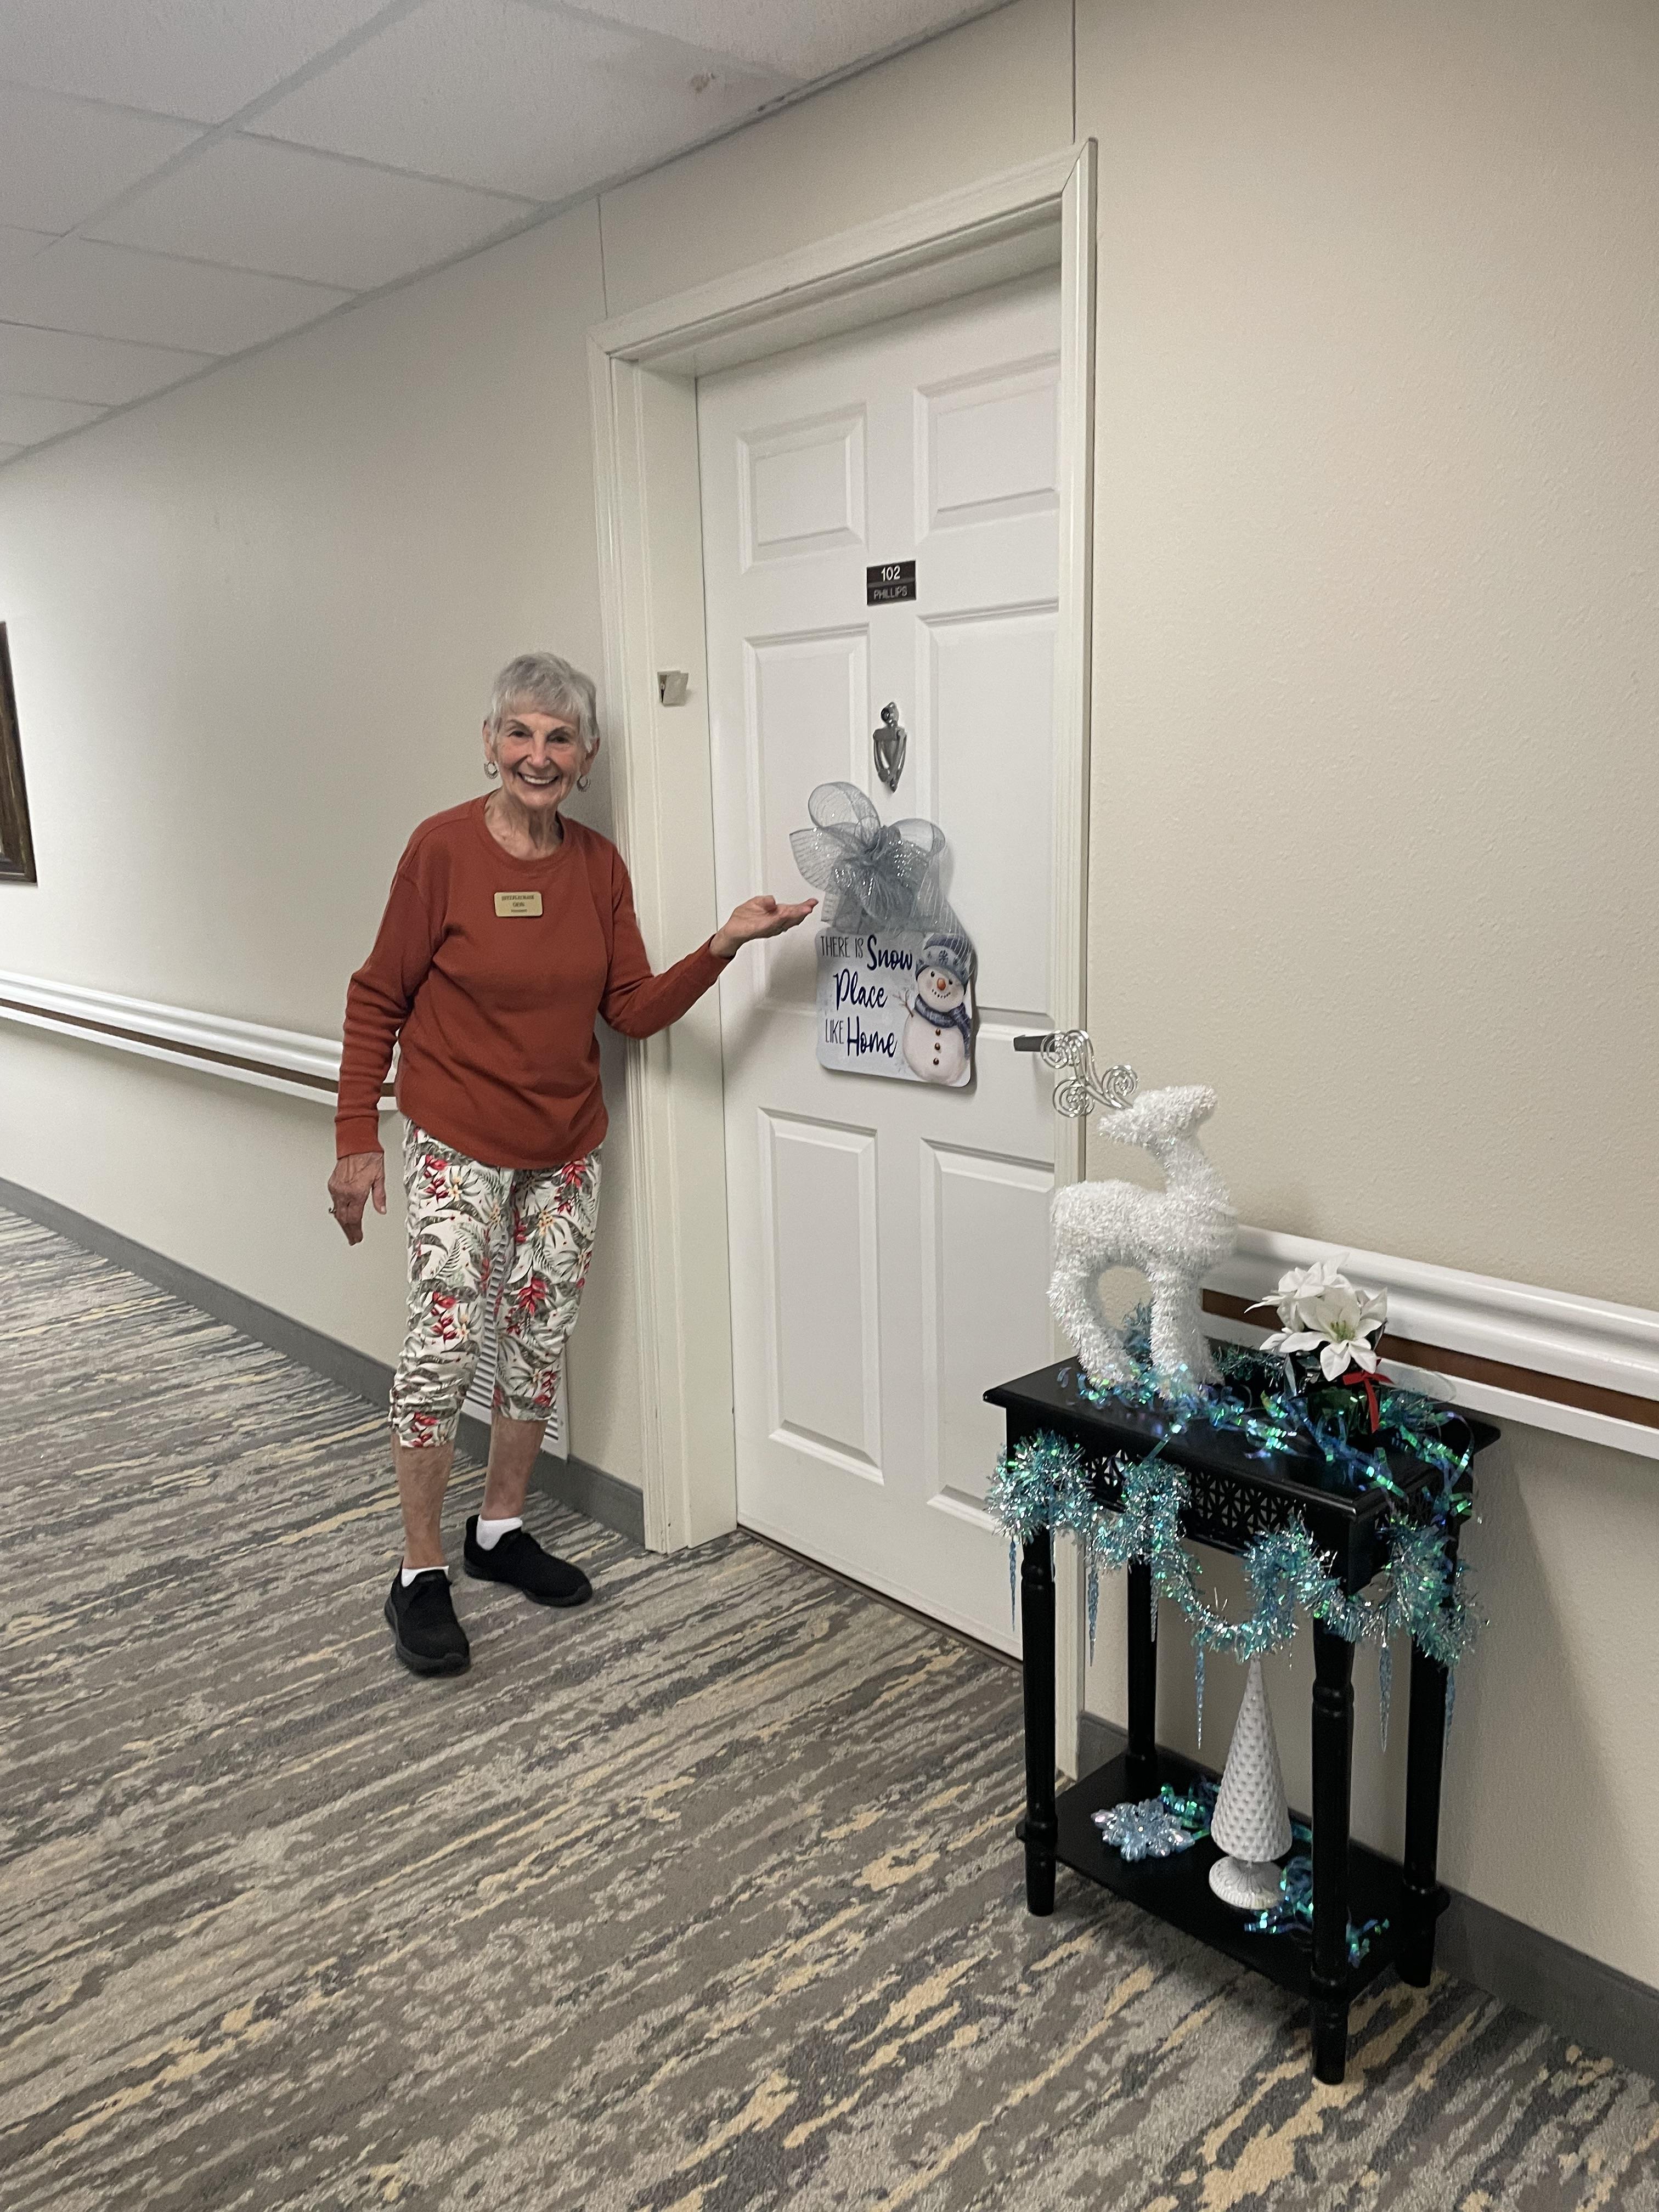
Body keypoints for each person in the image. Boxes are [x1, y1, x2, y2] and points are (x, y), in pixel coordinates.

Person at [330, 652, 815, 1678]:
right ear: (492, 743)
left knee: (540, 1340)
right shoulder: (443, 852)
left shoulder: (597, 867)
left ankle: (498, 1529)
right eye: (521, 733)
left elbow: (629, 1011)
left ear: (587, 756)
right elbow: (378, 996)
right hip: (457, 1135)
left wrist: (724, 945)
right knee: (440, 1352)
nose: (538, 755)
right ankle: (419, 1572)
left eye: (559, 738)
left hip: (566, 1145)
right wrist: (355, 1139)